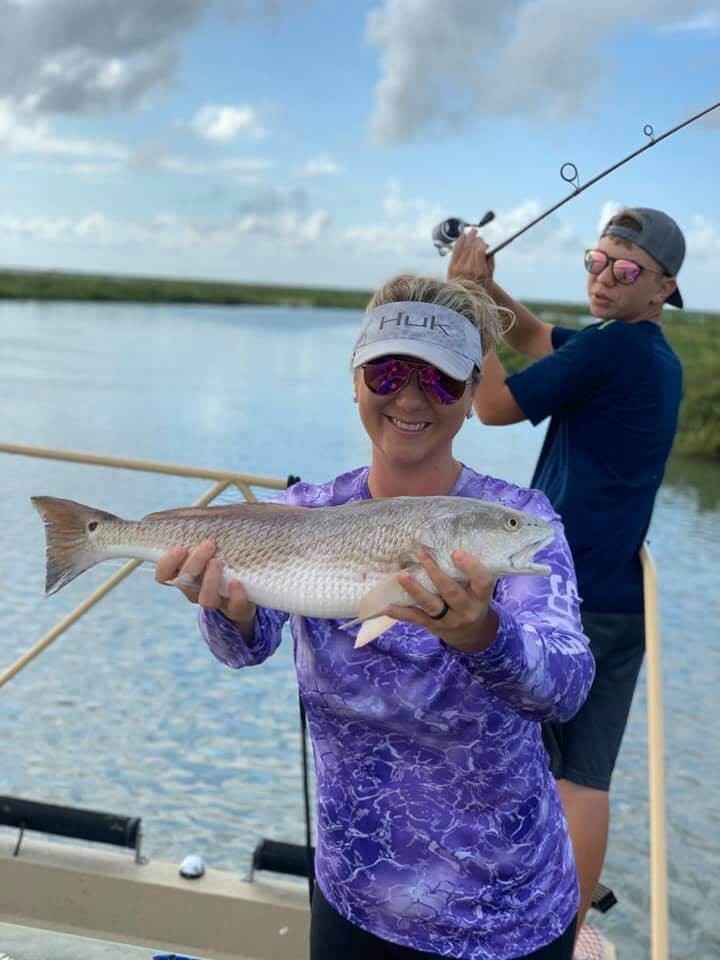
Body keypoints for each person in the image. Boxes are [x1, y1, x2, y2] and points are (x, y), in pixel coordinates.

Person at [155, 274, 595, 960]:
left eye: (443, 381)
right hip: (352, 895)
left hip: (507, 913)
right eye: (387, 371)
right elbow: (245, 647)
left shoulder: (517, 522)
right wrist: (224, 610)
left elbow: (564, 688)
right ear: (355, 381)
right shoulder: (308, 509)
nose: (411, 397)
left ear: (474, 391)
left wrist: (481, 632)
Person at [448, 207, 684, 933]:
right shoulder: (640, 349)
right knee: (582, 769)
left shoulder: (615, 351)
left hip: (574, 596)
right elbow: (534, 336)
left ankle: (554, 930)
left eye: (626, 269)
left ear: (663, 288)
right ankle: (563, 925)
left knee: (573, 777)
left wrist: (462, 304)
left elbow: (489, 405)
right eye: (596, 260)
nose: (604, 277)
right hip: (617, 592)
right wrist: (490, 289)